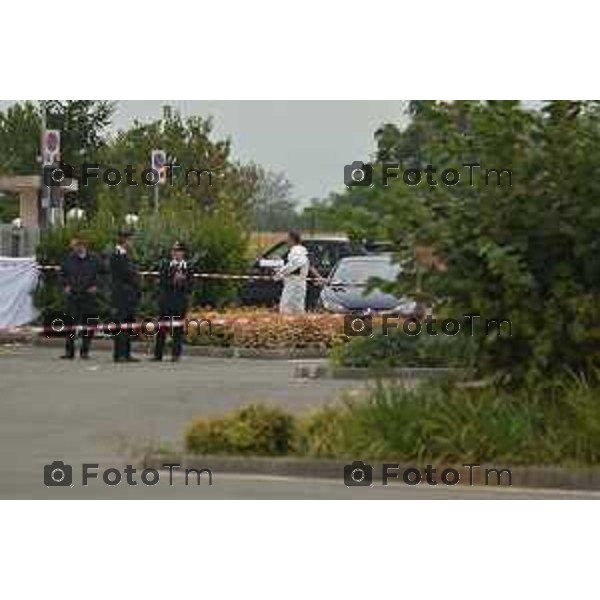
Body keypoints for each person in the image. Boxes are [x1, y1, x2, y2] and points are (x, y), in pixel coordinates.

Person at [152, 241, 192, 362]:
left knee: (178, 330)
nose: (175, 253)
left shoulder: (188, 267)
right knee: (162, 328)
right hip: (166, 302)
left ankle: (176, 354)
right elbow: (162, 282)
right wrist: (174, 280)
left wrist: (183, 281)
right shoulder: (166, 266)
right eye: (173, 250)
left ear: (183, 253)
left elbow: (190, 286)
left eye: (178, 251)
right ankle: (158, 354)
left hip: (180, 302)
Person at [60, 236, 99, 360]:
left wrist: (97, 286)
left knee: (90, 324)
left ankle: (84, 351)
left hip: (88, 296)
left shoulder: (94, 259)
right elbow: (62, 274)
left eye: (76, 245)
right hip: (73, 296)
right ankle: (69, 351)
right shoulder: (69, 259)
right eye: (73, 246)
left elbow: (105, 273)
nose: (74, 248)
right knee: (70, 324)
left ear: (83, 245)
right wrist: (65, 285)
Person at [110, 230, 140, 362]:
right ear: (124, 240)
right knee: (121, 324)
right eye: (130, 240)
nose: (131, 243)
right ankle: (119, 353)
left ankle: (127, 353)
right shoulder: (117, 255)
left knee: (128, 324)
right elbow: (125, 274)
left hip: (129, 296)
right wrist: (136, 278)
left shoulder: (126, 255)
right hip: (121, 295)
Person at [275, 231, 311, 314]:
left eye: (287, 238)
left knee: (286, 308)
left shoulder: (296, 250)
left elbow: (295, 264)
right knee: (298, 309)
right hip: (298, 283)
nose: (286, 240)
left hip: (293, 283)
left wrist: (280, 273)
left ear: (292, 239)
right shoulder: (301, 251)